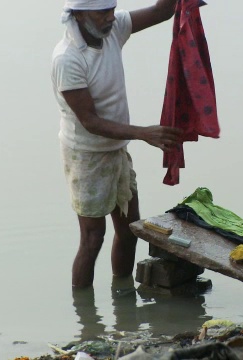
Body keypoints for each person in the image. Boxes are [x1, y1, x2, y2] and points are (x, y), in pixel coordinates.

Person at [52, 0, 182, 288]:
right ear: (80, 14)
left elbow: (163, 11)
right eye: (102, 12)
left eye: (112, 9)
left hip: (117, 149)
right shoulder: (68, 58)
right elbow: (90, 121)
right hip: (85, 156)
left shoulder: (113, 29)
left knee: (129, 229)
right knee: (92, 237)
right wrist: (143, 133)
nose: (111, 17)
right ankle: (86, 320)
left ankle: (123, 300)